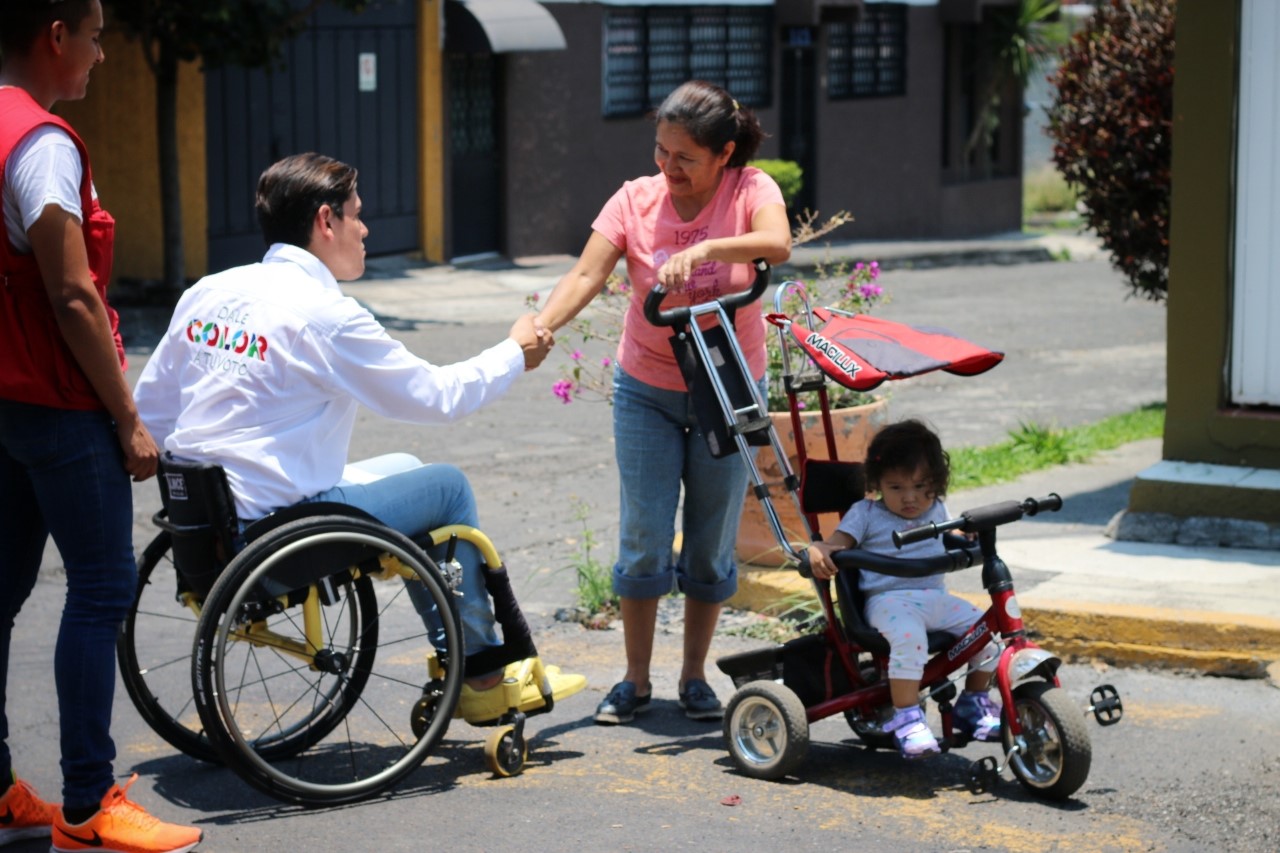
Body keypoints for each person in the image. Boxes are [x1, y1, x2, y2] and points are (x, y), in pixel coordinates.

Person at [132, 152, 584, 724]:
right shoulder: (326, 316)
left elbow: (153, 412)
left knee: (404, 462)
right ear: (326, 221)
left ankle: (460, 652)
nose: (366, 229)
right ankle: (483, 674)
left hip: (207, 525)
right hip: (282, 527)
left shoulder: (210, 292)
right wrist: (514, 353)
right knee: (446, 488)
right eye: (357, 215)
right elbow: (438, 397)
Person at [0, 3, 205, 851]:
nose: (102, 54)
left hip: (6, 401)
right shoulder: (42, 142)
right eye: (95, 36)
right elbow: (73, 293)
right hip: (60, 402)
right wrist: (127, 416)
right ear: (56, 35)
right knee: (100, 589)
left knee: (4, 594)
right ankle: (87, 801)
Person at [533, 80, 792, 724]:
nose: (667, 169)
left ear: (724, 153)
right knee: (645, 535)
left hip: (728, 386)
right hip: (646, 387)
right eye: (660, 152)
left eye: (685, 158)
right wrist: (543, 326)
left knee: (708, 542)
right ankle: (635, 679)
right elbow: (588, 274)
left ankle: (695, 678)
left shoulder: (751, 189)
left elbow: (777, 243)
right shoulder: (634, 200)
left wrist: (706, 248)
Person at [806, 419, 1004, 759]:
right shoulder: (865, 513)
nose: (909, 498)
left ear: (936, 484)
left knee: (987, 633)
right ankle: (907, 717)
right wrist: (818, 550)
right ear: (877, 483)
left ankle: (972, 704)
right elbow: (835, 545)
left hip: (934, 599)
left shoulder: (937, 509)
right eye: (896, 488)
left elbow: (946, 536)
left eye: (920, 486)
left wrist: (962, 539)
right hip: (888, 602)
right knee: (910, 639)